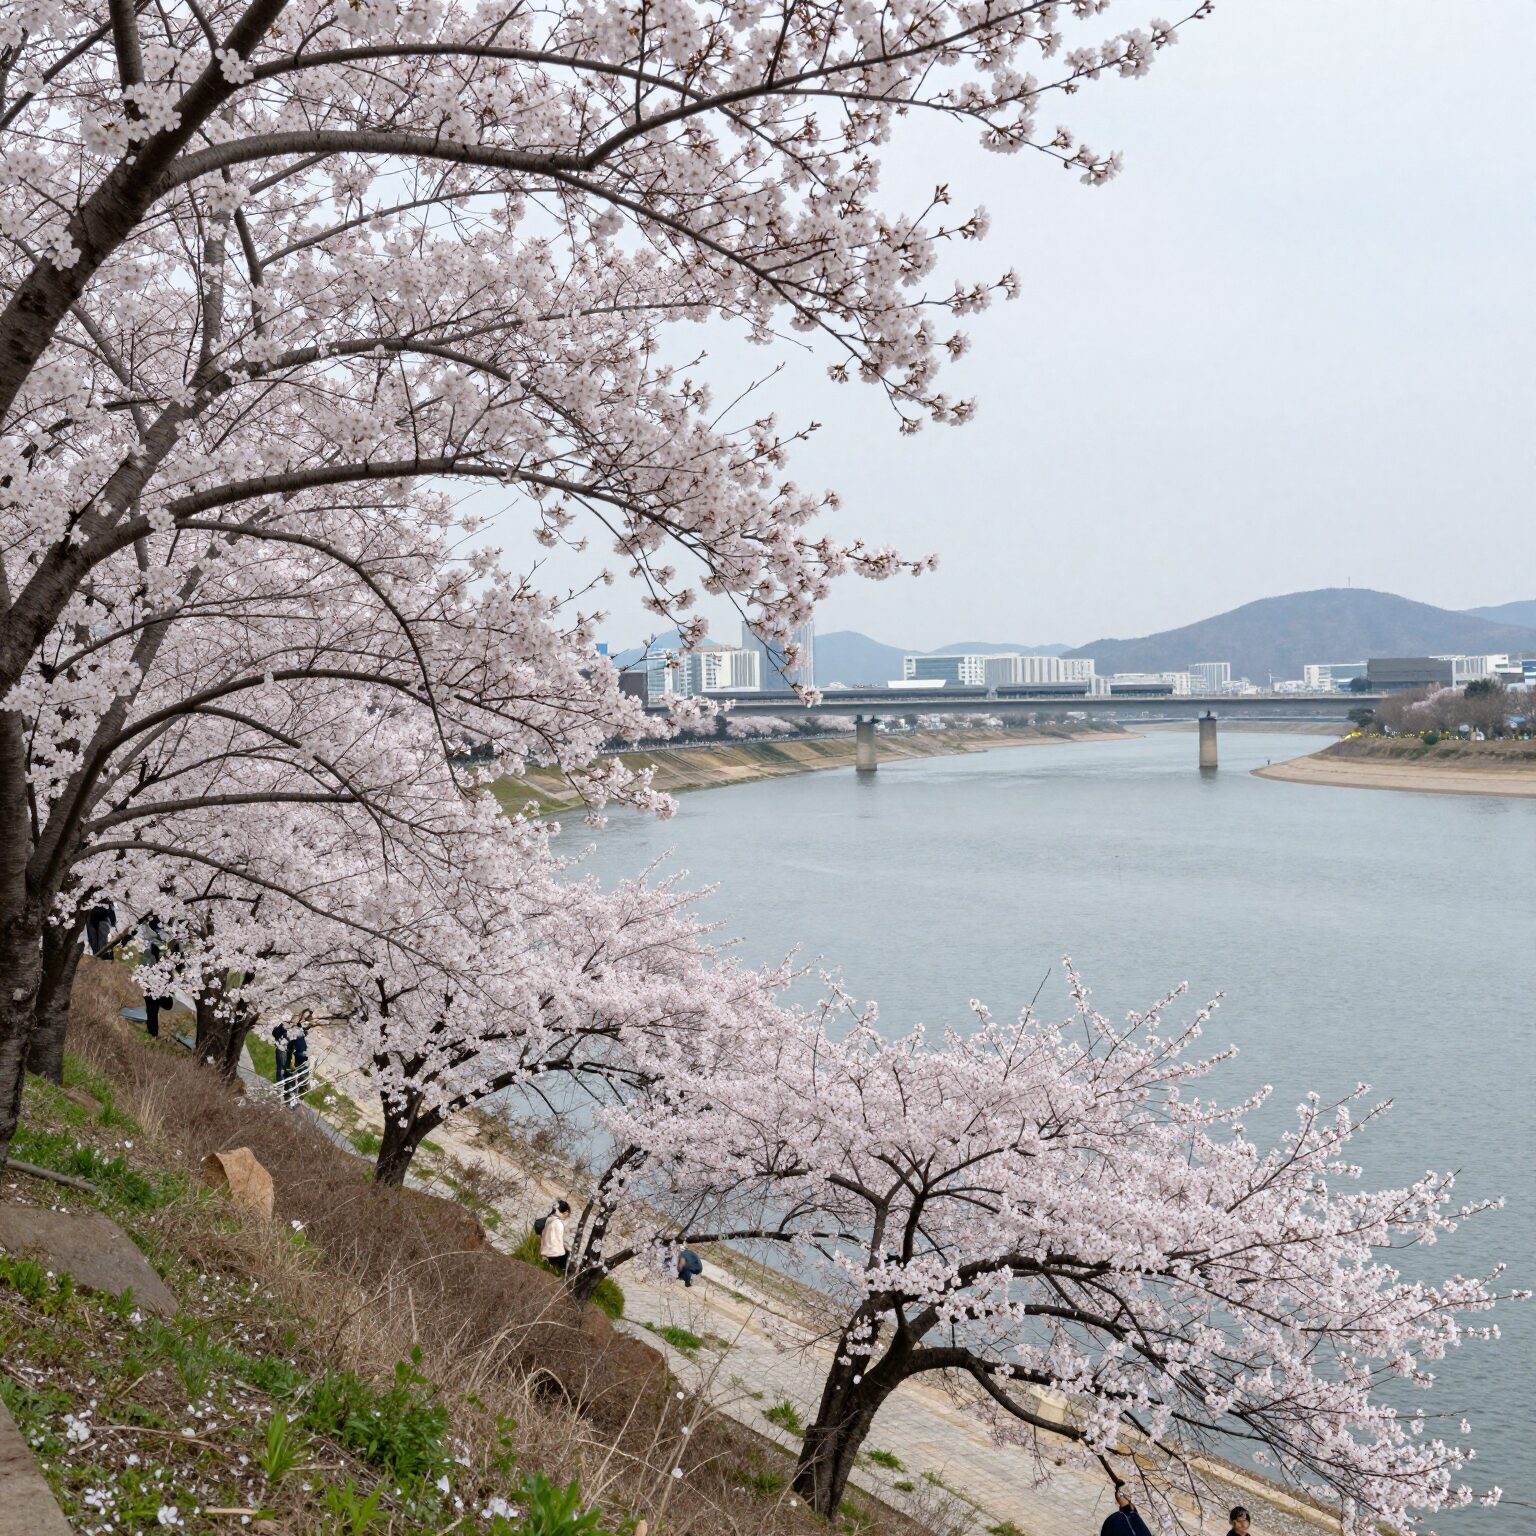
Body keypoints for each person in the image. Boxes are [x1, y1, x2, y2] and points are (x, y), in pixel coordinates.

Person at [539, 1200, 572, 1274]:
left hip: (544, 1245)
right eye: (568, 1214)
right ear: (566, 1212)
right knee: (568, 1255)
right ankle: (558, 1271)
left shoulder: (549, 1218)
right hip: (551, 1251)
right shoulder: (558, 1223)